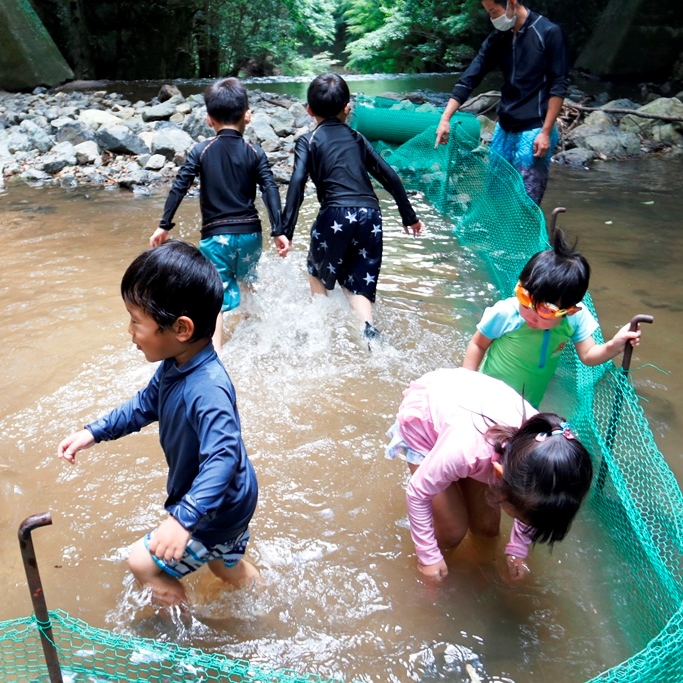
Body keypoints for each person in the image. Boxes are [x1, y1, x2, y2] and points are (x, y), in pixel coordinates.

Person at [57, 241, 260, 606]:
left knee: (141, 562)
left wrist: (184, 519)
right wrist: (94, 432)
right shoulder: (176, 364)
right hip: (229, 501)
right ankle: (263, 598)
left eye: (136, 321)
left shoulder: (208, 389)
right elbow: (145, 405)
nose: (130, 331)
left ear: (181, 328)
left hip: (217, 508)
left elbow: (223, 457)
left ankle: (181, 632)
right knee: (223, 567)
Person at [386, 367, 593, 581]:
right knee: (451, 531)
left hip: (473, 418)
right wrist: (428, 558)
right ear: (499, 474)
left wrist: (517, 549)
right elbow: (417, 493)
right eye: (518, 515)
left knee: (487, 529)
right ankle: (427, 567)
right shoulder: (465, 450)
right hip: (426, 417)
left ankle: (475, 568)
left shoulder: (541, 455)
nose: (524, 521)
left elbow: (534, 498)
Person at [273, 73, 423, 344]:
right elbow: (390, 176)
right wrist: (408, 216)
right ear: (347, 108)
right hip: (370, 215)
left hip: (334, 213)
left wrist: (286, 230)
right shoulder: (357, 138)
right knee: (359, 284)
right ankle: (368, 330)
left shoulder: (309, 141)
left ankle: (319, 337)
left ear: (309, 110)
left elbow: (296, 182)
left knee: (317, 272)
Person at [150, 77, 282, 352]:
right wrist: (278, 229)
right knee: (248, 282)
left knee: (214, 295)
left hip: (216, 237)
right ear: (247, 115)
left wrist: (164, 225)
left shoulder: (201, 150)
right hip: (250, 236)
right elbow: (270, 188)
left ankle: (216, 355)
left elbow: (179, 186)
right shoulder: (255, 152)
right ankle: (258, 338)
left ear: (209, 119)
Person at [462, 228, 641, 408]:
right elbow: (478, 344)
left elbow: (587, 355)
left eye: (545, 311)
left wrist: (613, 346)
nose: (530, 316)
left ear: (569, 310)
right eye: (525, 301)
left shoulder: (575, 319)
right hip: (487, 395)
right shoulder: (506, 313)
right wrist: (467, 382)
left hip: (529, 404)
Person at [435, 0, 568, 205]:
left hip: (535, 129)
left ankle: (524, 236)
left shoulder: (548, 32)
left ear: (512, 3)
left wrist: (546, 132)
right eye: (489, 13)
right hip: (504, 127)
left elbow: (558, 86)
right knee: (495, 194)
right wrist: (445, 119)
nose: (492, 19)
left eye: (494, 12)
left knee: (526, 200)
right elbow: (470, 77)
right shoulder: (499, 38)